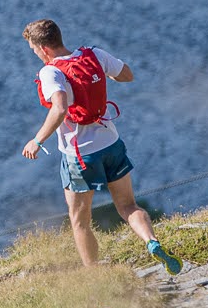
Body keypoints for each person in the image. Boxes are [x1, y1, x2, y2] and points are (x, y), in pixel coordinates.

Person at [18, 18, 181, 274]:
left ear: (44, 48)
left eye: (34, 50)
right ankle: (151, 242)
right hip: (111, 143)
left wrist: (37, 140)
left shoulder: (50, 71)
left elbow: (60, 108)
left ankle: (94, 273)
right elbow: (127, 75)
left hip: (80, 156)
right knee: (128, 205)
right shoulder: (93, 54)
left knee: (80, 220)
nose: (36, 55)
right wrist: (97, 77)